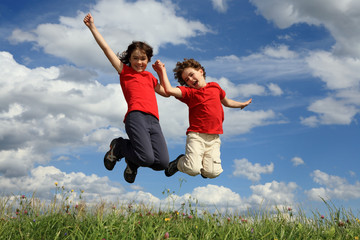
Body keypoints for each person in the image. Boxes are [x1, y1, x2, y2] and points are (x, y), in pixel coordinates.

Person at [83, 13, 169, 183]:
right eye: (135, 58)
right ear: (129, 59)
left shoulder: (150, 77)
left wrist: (161, 72)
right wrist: (92, 27)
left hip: (154, 120)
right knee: (146, 158)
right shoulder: (125, 72)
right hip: (136, 116)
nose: (139, 62)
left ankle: (131, 160)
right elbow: (106, 49)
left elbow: (166, 92)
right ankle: (120, 146)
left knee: (162, 163)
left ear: (148, 59)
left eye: (143, 59)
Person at [153, 59, 252, 179]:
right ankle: (178, 163)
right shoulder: (189, 93)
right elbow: (168, 90)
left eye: (191, 75)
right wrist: (162, 71)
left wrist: (241, 104)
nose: (190, 80)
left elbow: (227, 102)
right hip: (196, 136)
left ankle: (204, 166)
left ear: (200, 72)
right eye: (186, 80)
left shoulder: (215, 87)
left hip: (214, 138)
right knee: (192, 169)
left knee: (212, 173)